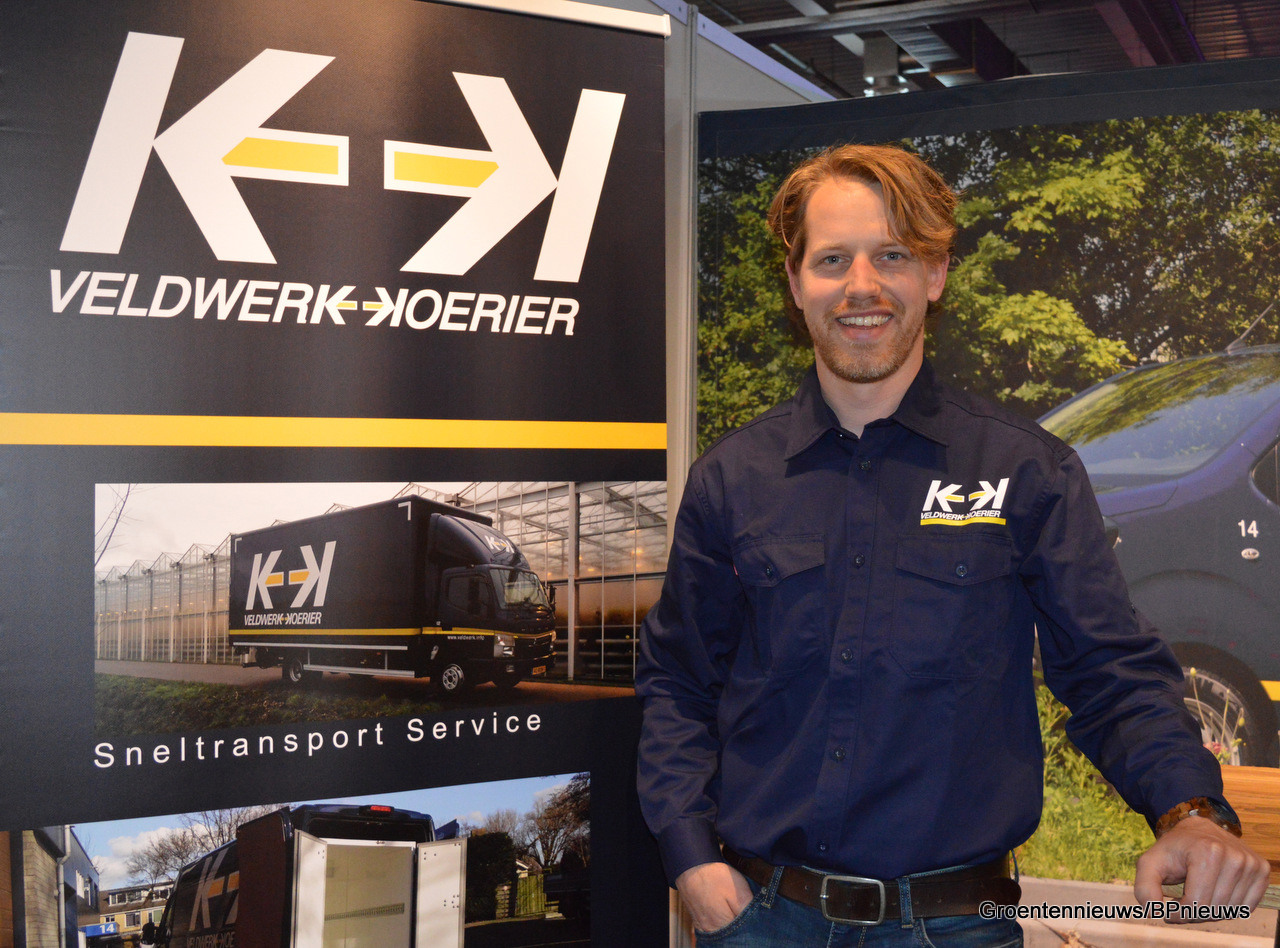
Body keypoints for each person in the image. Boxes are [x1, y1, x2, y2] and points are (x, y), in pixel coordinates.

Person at [635, 143, 1270, 946]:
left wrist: (1191, 811)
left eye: (892, 255)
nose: (861, 285)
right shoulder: (732, 478)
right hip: (762, 920)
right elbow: (678, 684)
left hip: (957, 926)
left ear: (934, 275)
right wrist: (691, 858)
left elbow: (1110, 673)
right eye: (832, 259)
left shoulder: (1028, 471)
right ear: (795, 284)